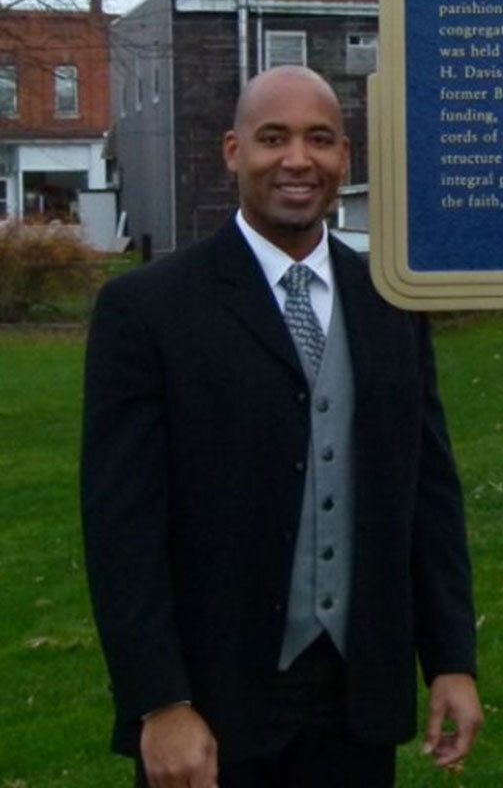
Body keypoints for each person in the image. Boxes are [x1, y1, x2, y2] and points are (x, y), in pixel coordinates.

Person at [81, 66, 482, 787]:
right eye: (274, 138)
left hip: (358, 703)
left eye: (319, 140)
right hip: (210, 703)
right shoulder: (148, 311)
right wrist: (159, 702)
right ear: (234, 152)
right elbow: (122, 529)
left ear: (345, 158)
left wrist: (451, 658)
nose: (298, 160)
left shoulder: (392, 299)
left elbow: (429, 495)